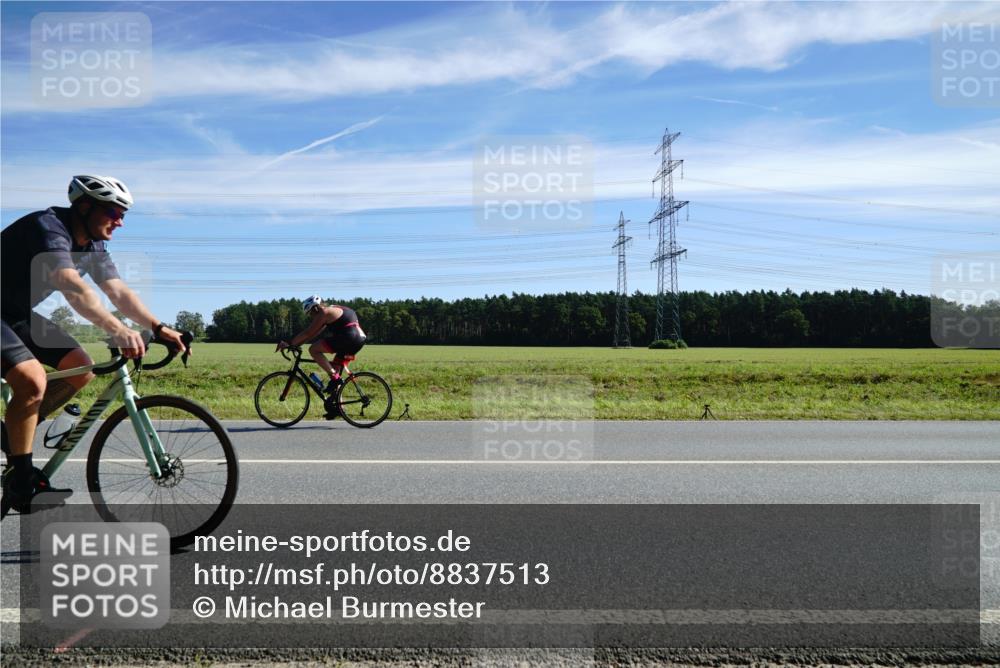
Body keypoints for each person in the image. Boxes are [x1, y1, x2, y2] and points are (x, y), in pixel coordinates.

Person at [1, 175, 188, 513]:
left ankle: (12, 434)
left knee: (79, 368)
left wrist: (158, 328)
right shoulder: (49, 228)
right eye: (114, 212)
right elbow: (70, 285)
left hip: (15, 313)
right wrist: (116, 328)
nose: (120, 222)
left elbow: (118, 291)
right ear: (84, 206)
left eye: (123, 215)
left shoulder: (94, 246)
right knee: (32, 380)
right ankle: (22, 482)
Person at [277, 296, 367, 419]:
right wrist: (296, 344)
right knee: (334, 372)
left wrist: (290, 344)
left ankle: (335, 378)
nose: (311, 316)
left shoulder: (323, 312)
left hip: (349, 337)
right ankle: (339, 408)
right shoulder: (331, 310)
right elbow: (313, 334)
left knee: (313, 350)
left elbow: (308, 332)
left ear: (315, 308)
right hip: (357, 339)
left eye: (310, 313)